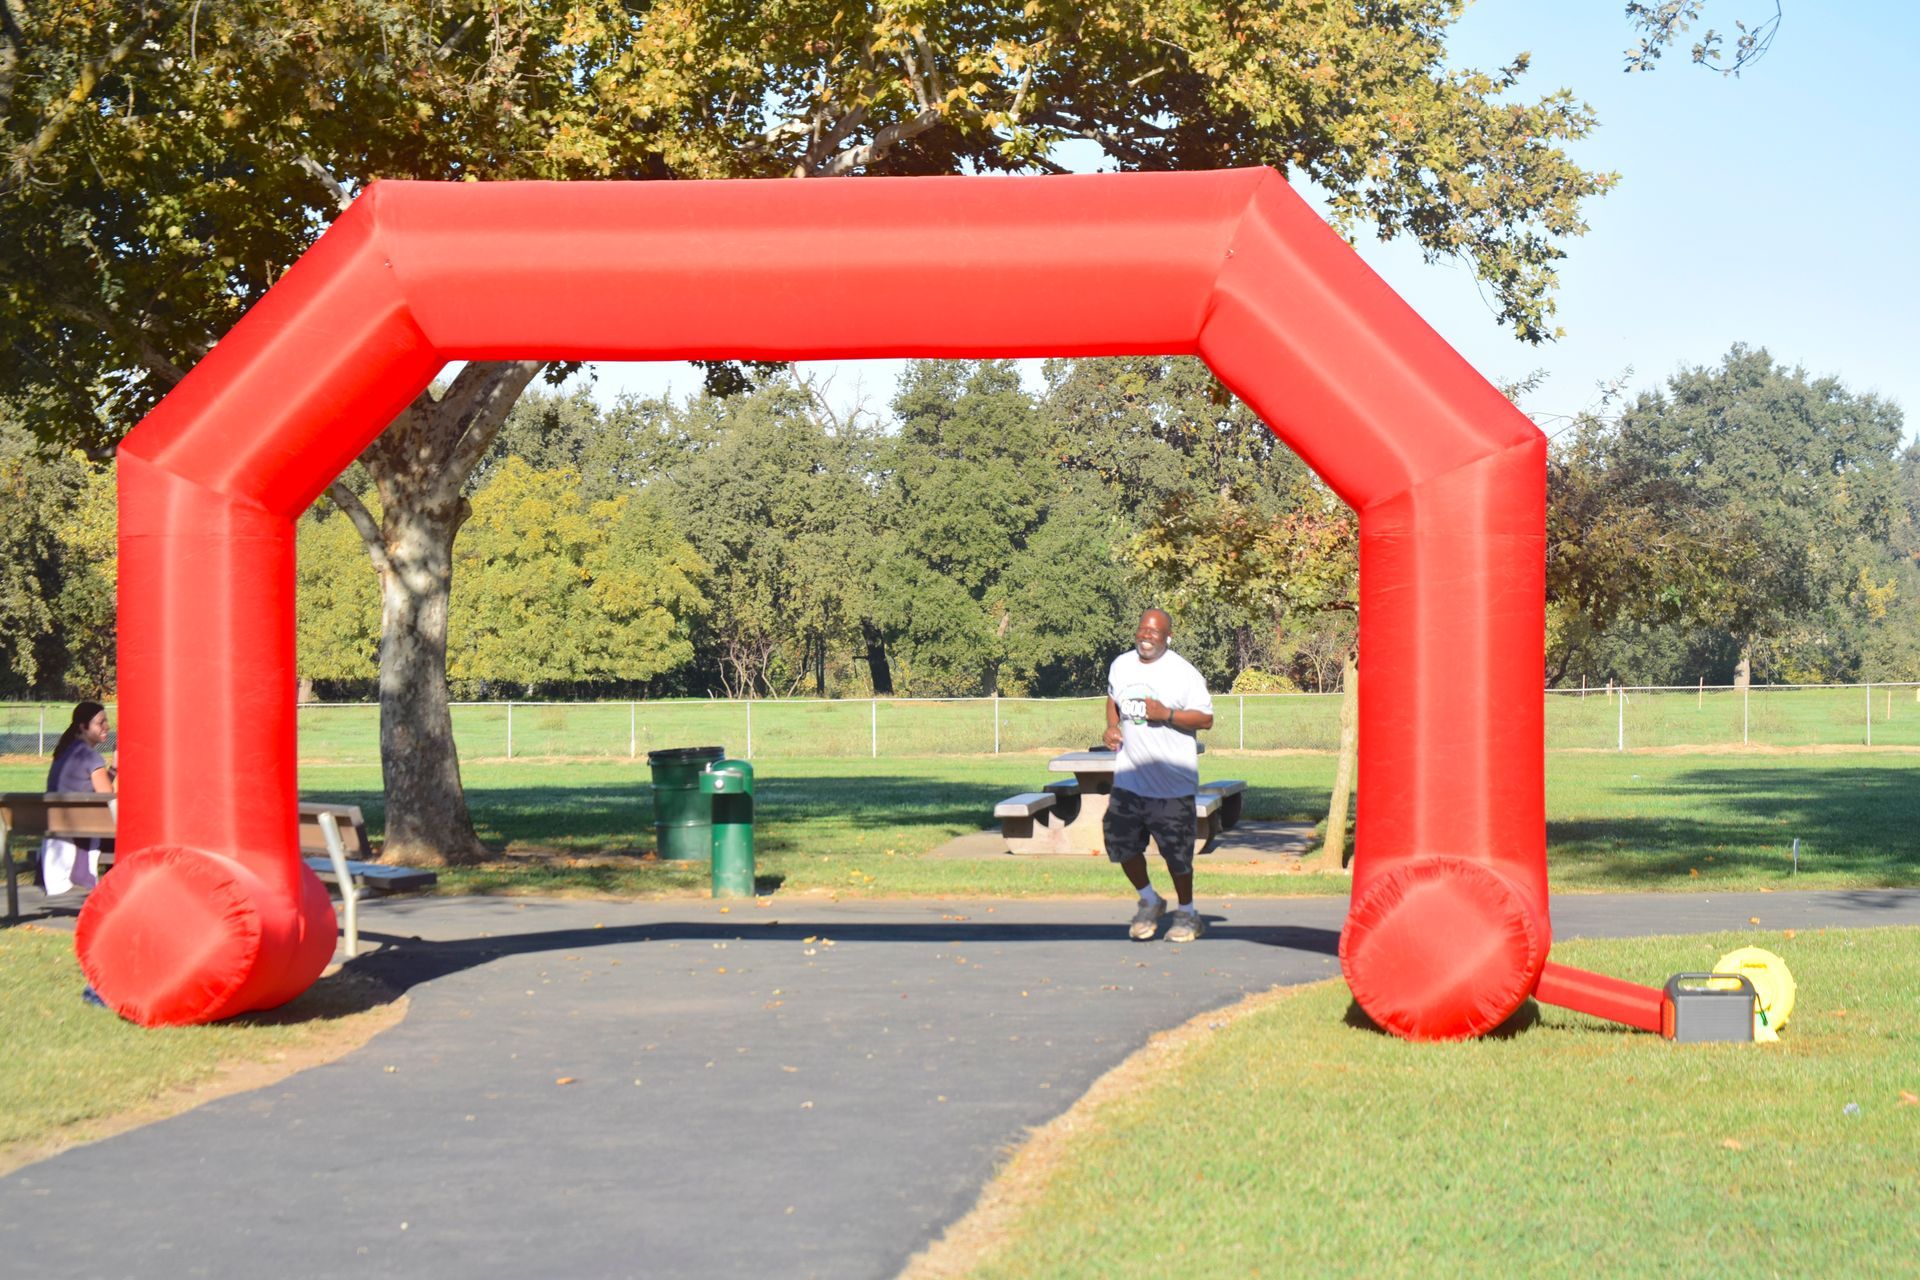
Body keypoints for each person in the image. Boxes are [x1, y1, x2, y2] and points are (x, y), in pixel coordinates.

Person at [1102, 609, 1214, 942]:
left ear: (1168, 637)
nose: (1146, 635)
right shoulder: (1121, 665)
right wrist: (1111, 727)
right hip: (1130, 780)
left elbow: (1205, 719)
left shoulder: (1183, 673)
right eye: (1142, 629)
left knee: (1177, 856)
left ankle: (1188, 913)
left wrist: (1167, 714)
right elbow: (1113, 699)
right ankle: (1150, 900)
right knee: (1120, 844)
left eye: (1154, 631)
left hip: (1171, 784)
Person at [41, 700, 116, 896]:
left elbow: (98, 788)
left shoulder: (65, 752)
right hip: (82, 830)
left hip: (60, 828)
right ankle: (116, 895)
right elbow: (108, 795)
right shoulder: (89, 757)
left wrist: (114, 768)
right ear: (83, 727)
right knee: (128, 839)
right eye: (101, 722)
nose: (107, 726)